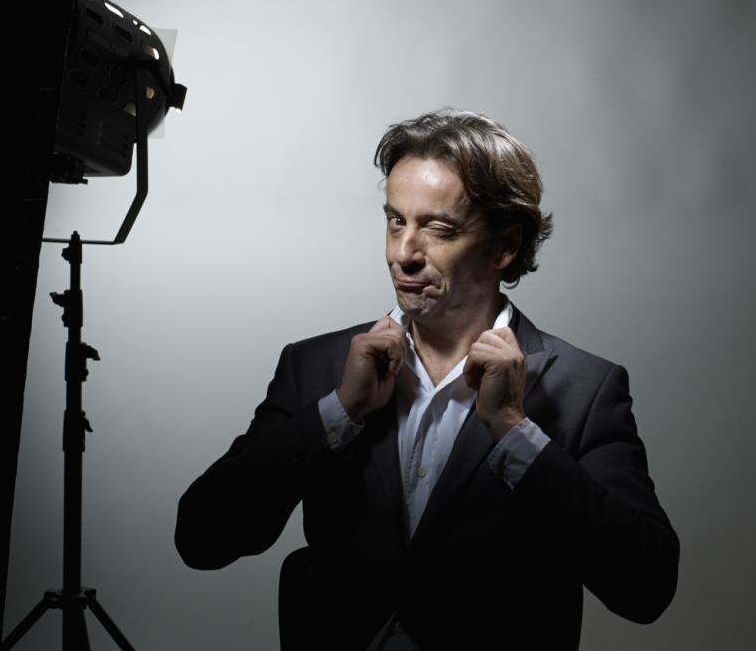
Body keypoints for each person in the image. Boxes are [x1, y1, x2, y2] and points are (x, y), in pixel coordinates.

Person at [175, 109, 679, 650]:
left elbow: (645, 588)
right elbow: (202, 538)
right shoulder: (315, 366)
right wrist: (338, 412)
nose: (403, 254)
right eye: (396, 221)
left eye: (438, 229)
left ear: (505, 245)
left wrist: (515, 432)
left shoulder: (585, 389)